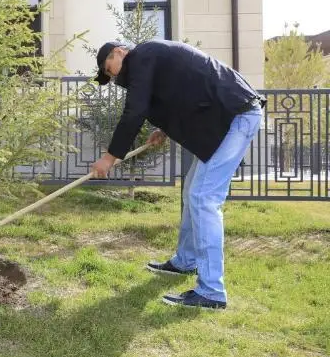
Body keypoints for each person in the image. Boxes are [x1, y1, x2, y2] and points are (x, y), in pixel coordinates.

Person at [90, 39, 265, 310]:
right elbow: (182, 93)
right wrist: (165, 129)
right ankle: (185, 261)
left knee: (203, 198)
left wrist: (110, 157)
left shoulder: (141, 56)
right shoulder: (150, 58)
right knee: (192, 193)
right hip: (227, 117)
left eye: (108, 68)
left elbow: (135, 110)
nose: (111, 76)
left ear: (119, 52)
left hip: (235, 116)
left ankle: (211, 292)